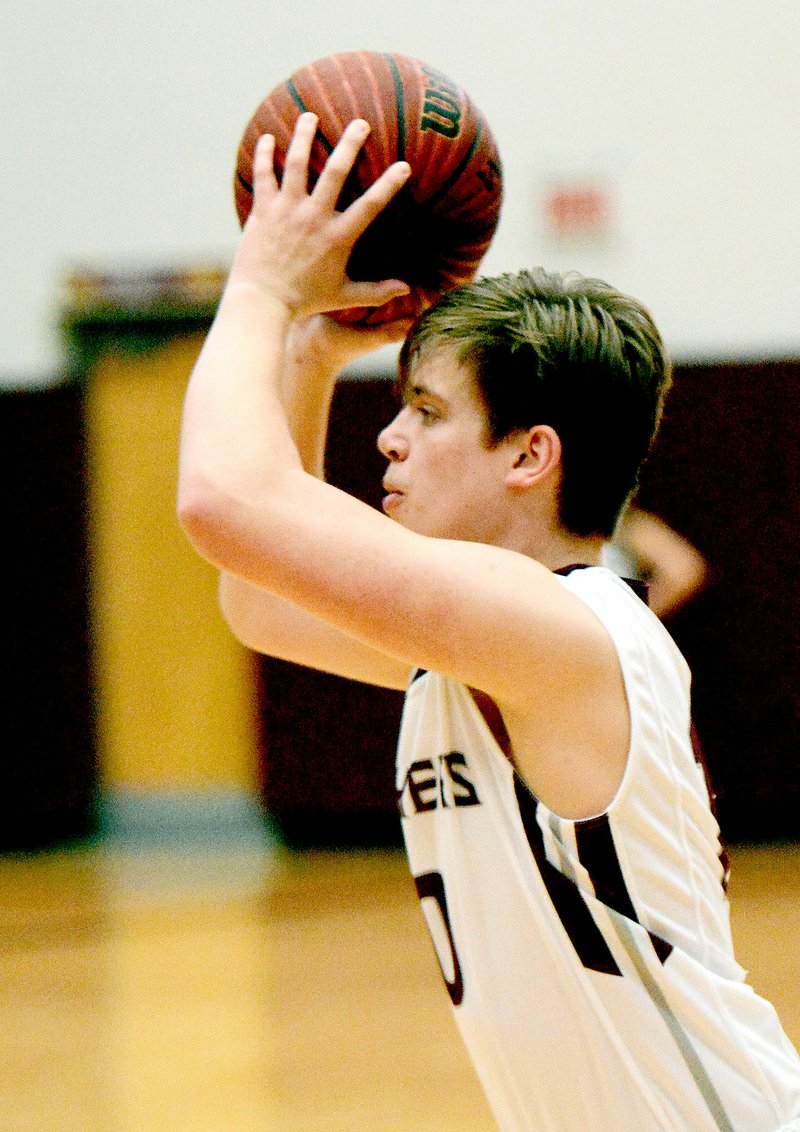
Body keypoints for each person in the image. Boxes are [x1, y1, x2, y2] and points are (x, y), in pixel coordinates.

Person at [178, 114, 800, 1131]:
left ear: (528, 455)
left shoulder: (558, 629)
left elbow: (220, 499)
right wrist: (304, 351)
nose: (387, 438)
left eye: (425, 412)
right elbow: (257, 596)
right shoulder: (486, 650)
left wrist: (258, 286)